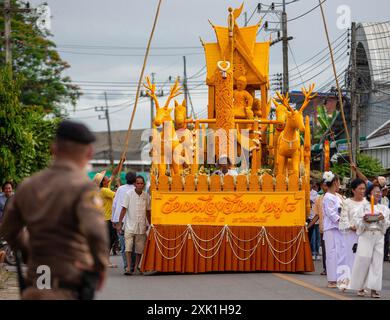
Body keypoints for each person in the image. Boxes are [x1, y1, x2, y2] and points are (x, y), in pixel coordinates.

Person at [0, 120, 109, 299]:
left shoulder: (29, 186)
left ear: (53, 149)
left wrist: (28, 250)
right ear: (89, 153)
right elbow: (96, 233)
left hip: (34, 286)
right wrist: (100, 267)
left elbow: (8, 228)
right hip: (67, 287)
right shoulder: (83, 188)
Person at [350, 182, 390, 298]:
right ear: (369, 194)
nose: (378, 193)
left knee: (377, 263)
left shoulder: (384, 209)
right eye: (376, 191)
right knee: (363, 261)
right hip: (366, 235)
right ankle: (360, 286)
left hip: (378, 236)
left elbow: (386, 224)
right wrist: (364, 221)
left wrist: (382, 219)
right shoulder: (363, 207)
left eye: (380, 191)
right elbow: (357, 222)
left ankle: (374, 288)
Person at [338, 178, 367, 290]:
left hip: (363, 234)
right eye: (360, 188)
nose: (362, 191)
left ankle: (362, 286)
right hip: (350, 235)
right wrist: (351, 226)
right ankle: (345, 281)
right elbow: (343, 217)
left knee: (363, 259)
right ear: (354, 190)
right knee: (349, 258)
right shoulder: (347, 202)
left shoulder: (367, 203)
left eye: (364, 188)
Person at [118, 176, 151, 276]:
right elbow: (123, 209)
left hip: (141, 225)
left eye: (141, 183)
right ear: (134, 184)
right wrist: (119, 223)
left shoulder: (146, 196)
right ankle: (128, 267)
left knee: (139, 248)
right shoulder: (129, 194)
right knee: (128, 247)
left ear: (144, 185)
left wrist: (150, 224)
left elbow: (148, 211)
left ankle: (137, 266)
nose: (140, 185)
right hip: (129, 225)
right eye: (138, 183)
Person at [93, 164, 122, 268]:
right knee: (110, 239)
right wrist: (119, 185)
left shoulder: (105, 188)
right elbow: (117, 195)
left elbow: (114, 174)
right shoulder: (104, 190)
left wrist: (120, 162)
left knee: (111, 239)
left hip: (107, 218)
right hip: (107, 218)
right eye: (106, 178)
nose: (108, 179)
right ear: (103, 182)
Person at [322, 171, 345, 288]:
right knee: (331, 253)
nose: (339, 184)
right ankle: (332, 280)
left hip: (339, 228)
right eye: (339, 181)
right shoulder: (327, 197)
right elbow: (331, 214)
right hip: (331, 228)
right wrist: (343, 221)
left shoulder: (338, 196)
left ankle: (339, 278)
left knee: (340, 253)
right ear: (335, 182)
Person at [111, 171, 136, 271]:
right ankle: (132, 265)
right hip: (131, 221)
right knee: (132, 245)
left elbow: (114, 204)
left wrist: (113, 219)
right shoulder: (136, 190)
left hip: (119, 220)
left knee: (123, 245)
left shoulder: (120, 189)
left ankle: (127, 265)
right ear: (135, 180)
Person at [308, 180, 328, 275]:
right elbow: (316, 215)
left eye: (326, 185)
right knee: (325, 250)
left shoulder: (338, 197)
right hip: (323, 228)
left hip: (335, 229)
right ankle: (326, 268)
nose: (325, 187)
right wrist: (308, 226)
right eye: (323, 185)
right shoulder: (319, 199)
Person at [308, 181, 320, 261]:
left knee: (315, 237)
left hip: (314, 217)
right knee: (310, 237)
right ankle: (311, 252)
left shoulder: (315, 193)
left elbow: (312, 201)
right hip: (307, 217)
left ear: (312, 185)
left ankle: (315, 252)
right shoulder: (303, 191)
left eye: (310, 184)